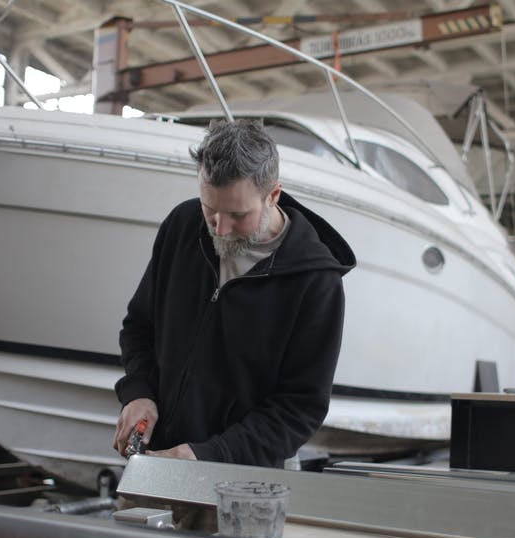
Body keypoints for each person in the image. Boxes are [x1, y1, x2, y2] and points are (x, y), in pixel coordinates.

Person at [112, 119, 355, 467]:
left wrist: (209, 455)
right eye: (210, 209)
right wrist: (139, 394)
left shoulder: (316, 281)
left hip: (243, 485)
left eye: (237, 215)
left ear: (273, 195)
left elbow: (300, 408)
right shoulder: (181, 227)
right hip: (156, 463)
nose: (221, 229)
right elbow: (139, 328)